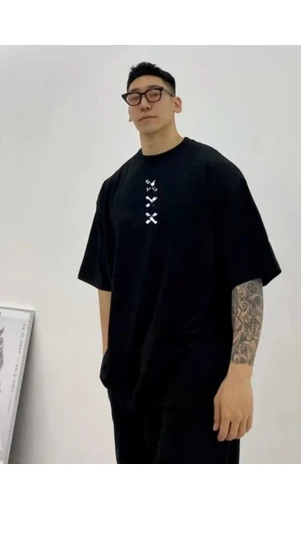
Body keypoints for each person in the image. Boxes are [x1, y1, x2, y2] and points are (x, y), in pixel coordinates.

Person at [78, 62, 282, 463]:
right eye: (134, 97)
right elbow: (106, 280)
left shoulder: (215, 174)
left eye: (155, 93)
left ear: (176, 103)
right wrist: (110, 358)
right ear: (128, 110)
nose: (144, 103)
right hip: (130, 382)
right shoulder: (114, 189)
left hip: (198, 380)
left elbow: (246, 279)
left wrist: (240, 375)